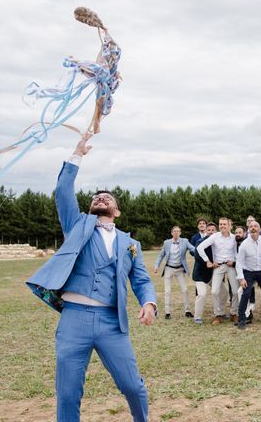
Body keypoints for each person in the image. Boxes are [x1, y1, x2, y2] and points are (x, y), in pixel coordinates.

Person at [26, 133, 156, 422]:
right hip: (74, 319)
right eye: (96, 197)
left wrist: (149, 303)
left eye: (107, 197)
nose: (100, 197)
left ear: (116, 211)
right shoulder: (77, 226)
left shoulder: (129, 243)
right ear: (90, 207)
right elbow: (62, 191)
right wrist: (77, 155)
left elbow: (142, 281)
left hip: (113, 322)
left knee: (133, 387)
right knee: (69, 392)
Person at [196, 217, 239, 324]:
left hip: (230, 266)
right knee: (214, 291)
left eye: (225, 224)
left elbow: (236, 252)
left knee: (235, 291)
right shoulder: (214, 236)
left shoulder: (234, 238)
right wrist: (207, 261)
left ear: (230, 226)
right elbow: (199, 248)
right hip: (218, 266)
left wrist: (234, 262)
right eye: (220, 224)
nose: (222, 226)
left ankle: (234, 313)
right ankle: (218, 315)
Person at [154, 226, 195, 319]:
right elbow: (161, 255)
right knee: (167, 291)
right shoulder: (166, 243)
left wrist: (202, 252)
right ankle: (167, 313)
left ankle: (187, 311)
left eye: (178, 231)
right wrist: (157, 266)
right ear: (171, 233)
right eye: (174, 231)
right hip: (169, 269)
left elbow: (193, 249)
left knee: (185, 290)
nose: (176, 233)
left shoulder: (185, 241)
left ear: (180, 233)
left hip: (180, 269)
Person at [192, 222, 217, 324]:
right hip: (200, 274)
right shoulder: (200, 241)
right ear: (206, 231)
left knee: (222, 292)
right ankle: (197, 317)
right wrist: (208, 263)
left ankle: (220, 313)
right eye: (209, 230)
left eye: (213, 230)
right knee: (202, 294)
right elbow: (197, 256)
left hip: (214, 274)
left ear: (216, 231)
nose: (211, 232)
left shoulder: (218, 242)